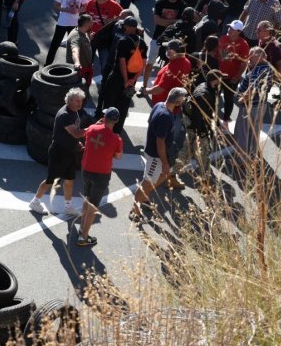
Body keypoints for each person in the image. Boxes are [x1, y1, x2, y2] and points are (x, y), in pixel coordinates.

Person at [130, 87, 190, 219]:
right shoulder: (165, 117)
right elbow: (160, 142)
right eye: (183, 100)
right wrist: (164, 163)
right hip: (156, 156)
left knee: (165, 175)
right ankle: (134, 209)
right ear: (178, 102)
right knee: (147, 182)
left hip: (156, 153)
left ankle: (144, 197)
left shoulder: (158, 105)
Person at [28, 87, 88, 217]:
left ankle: (68, 206)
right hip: (59, 153)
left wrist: (75, 143)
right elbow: (77, 133)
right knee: (50, 181)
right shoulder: (65, 115)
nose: (80, 103)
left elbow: (73, 133)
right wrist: (92, 129)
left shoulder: (74, 111)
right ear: (70, 100)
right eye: (77, 101)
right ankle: (35, 202)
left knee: (70, 180)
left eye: (81, 101)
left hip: (69, 151)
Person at [76, 107, 123, 247]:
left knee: (87, 198)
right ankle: (83, 237)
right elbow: (118, 156)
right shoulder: (116, 139)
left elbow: (87, 138)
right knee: (93, 206)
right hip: (101, 174)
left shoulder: (91, 129)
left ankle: (81, 229)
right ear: (116, 121)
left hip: (86, 169)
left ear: (104, 117)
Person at [102, 16, 147, 134]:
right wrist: (133, 80)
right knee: (123, 105)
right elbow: (143, 64)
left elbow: (122, 63)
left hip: (117, 78)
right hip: (132, 80)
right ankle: (117, 131)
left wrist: (126, 79)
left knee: (109, 102)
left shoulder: (123, 41)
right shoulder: (142, 43)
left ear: (126, 27)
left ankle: (105, 129)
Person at [142, 0, 187, 91]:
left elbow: (178, 23)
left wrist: (166, 21)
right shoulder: (161, 2)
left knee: (169, 64)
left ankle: (163, 86)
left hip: (172, 40)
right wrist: (174, 21)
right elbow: (158, 21)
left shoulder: (182, 5)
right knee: (150, 62)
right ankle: (143, 87)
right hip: (157, 37)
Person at [234, 46, 273, 160]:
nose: (248, 59)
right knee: (255, 132)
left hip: (250, 106)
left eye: (251, 57)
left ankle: (241, 160)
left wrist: (242, 99)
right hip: (261, 105)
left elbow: (253, 89)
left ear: (259, 57)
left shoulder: (257, 70)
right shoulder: (267, 68)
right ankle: (253, 154)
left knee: (243, 133)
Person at [183, 69, 222, 177]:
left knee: (191, 146)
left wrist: (217, 123)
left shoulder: (205, 86)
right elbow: (198, 115)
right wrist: (201, 132)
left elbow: (210, 110)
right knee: (204, 149)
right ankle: (205, 173)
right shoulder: (205, 94)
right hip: (199, 126)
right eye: (220, 78)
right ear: (215, 80)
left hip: (196, 124)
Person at [46, 0, 88, 65]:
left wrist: (79, 10)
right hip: (63, 22)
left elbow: (85, 6)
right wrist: (68, 10)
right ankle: (47, 64)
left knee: (75, 46)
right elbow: (55, 6)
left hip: (75, 23)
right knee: (55, 44)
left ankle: (74, 66)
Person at [85, 0, 122, 72]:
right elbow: (86, 17)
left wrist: (113, 20)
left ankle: (105, 81)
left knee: (104, 63)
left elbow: (124, 15)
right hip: (91, 36)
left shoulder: (113, 4)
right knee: (87, 62)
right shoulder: (91, 2)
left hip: (104, 38)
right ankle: (86, 78)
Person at [218, 20, 250, 124]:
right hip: (218, 75)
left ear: (239, 31)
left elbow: (244, 63)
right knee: (215, 96)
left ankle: (226, 121)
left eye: (232, 29)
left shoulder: (244, 44)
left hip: (231, 78)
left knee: (228, 99)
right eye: (229, 27)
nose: (229, 29)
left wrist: (237, 77)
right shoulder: (223, 38)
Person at [142, 39, 192, 105]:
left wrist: (146, 91)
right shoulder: (187, 62)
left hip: (163, 103)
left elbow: (160, 89)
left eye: (167, 48)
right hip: (173, 102)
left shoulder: (173, 68)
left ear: (173, 51)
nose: (166, 50)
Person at [66, 14, 95, 87]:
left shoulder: (81, 31)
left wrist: (90, 39)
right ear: (87, 24)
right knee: (80, 90)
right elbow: (75, 50)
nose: (93, 22)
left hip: (86, 67)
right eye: (92, 21)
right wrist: (77, 62)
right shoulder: (76, 37)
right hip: (80, 71)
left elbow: (83, 44)